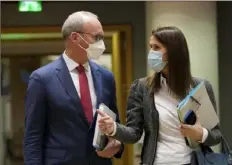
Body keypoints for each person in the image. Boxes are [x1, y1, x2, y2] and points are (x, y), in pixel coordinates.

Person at [97, 26, 222, 165]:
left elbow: (216, 135)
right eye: (150, 47)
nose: (151, 53)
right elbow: (134, 133)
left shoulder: (201, 86)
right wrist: (113, 128)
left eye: (156, 47)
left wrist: (200, 134)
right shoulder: (141, 87)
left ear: (174, 52)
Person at [24, 11, 123, 165]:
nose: (102, 43)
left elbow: (115, 125)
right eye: (97, 37)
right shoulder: (42, 79)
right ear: (76, 37)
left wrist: (117, 144)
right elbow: (33, 136)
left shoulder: (106, 77)